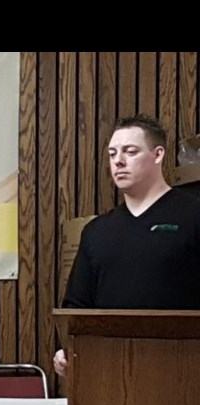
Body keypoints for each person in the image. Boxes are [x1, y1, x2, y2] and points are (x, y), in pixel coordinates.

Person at [54, 114, 200, 377]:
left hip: (183, 371)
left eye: (130, 151)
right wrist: (64, 350)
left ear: (157, 155)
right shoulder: (97, 231)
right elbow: (76, 307)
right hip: (109, 374)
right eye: (112, 153)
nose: (118, 160)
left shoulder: (193, 215)